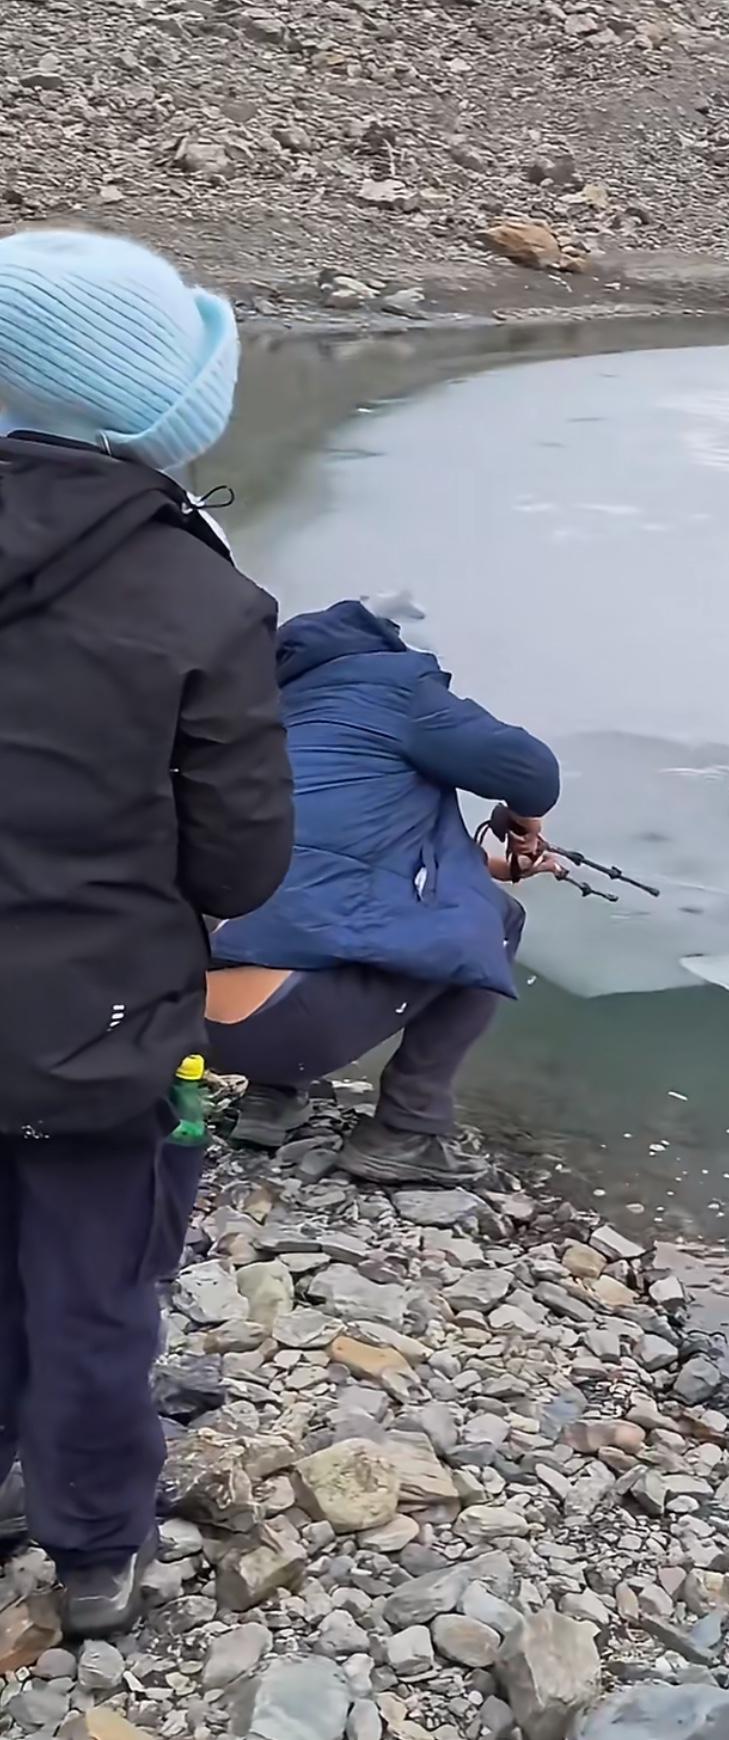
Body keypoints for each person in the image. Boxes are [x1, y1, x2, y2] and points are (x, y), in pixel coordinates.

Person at [0, 229, 293, 1633]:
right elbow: (241, 857)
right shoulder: (200, 596)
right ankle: (96, 1553)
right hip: (99, 1034)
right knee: (98, 1294)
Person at [208, 595, 562, 1187]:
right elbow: (532, 771)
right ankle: (408, 1129)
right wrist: (527, 823)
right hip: (291, 1024)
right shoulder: (395, 689)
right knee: (497, 920)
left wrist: (491, 863)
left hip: (198, 1028)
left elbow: (351, 840)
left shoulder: (268, 714)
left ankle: (272, 1102)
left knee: (297, 900)